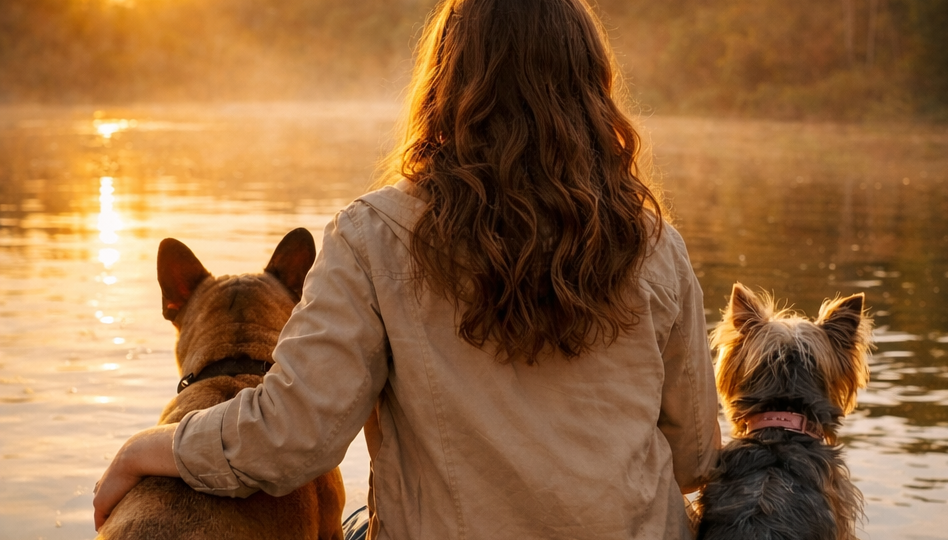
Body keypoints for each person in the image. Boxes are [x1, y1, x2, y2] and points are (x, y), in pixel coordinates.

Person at [93, 0, 721, 538]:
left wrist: (147, 449)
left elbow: (291, 438)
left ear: (445, 83)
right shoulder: (658, 247)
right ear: (592, 88)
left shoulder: (374, 235)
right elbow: (694, 455)